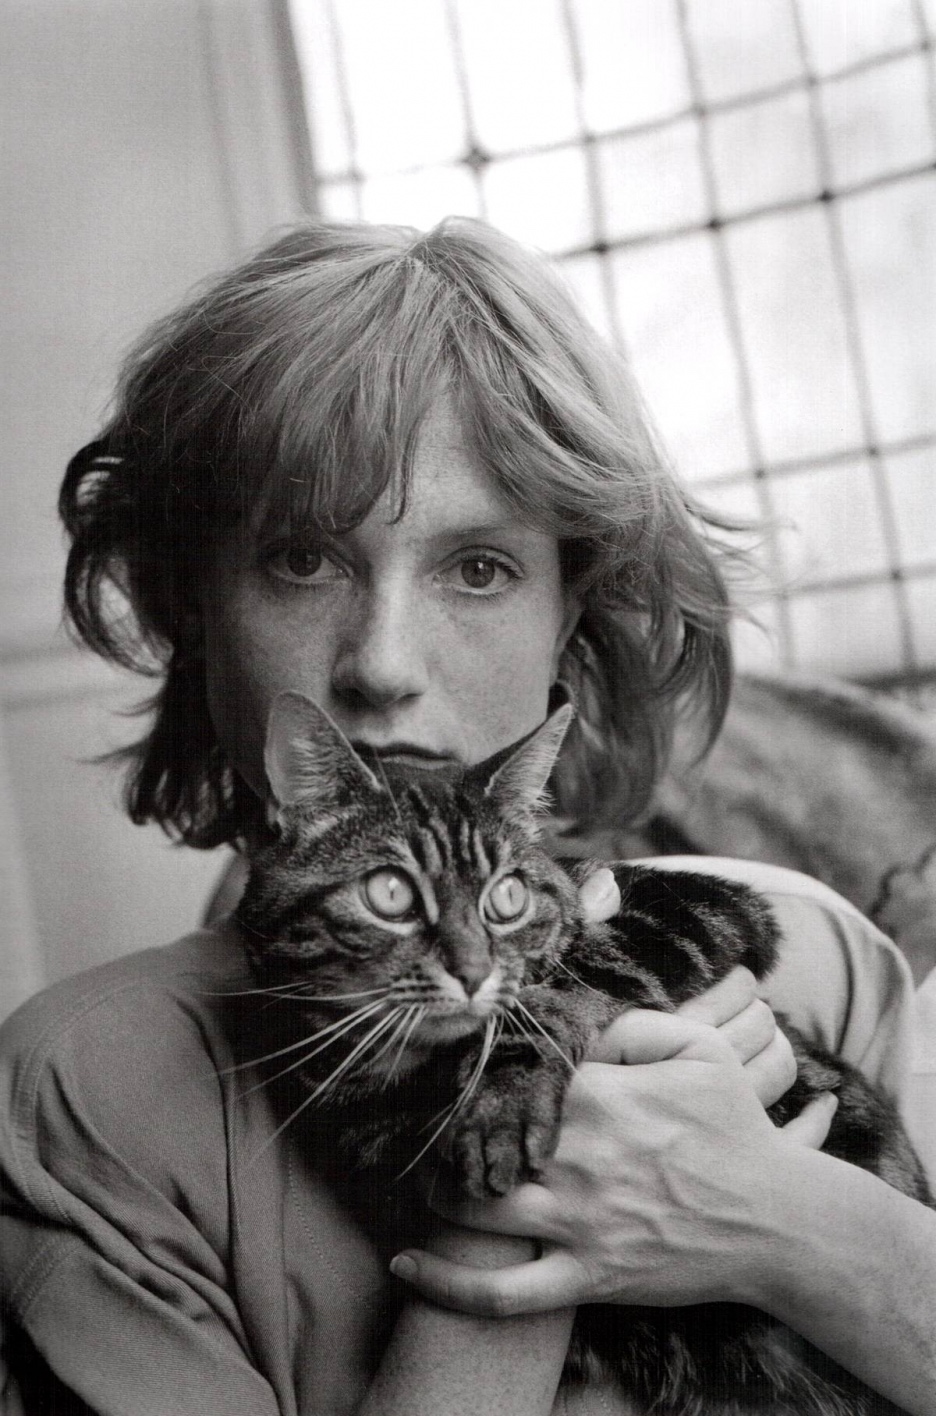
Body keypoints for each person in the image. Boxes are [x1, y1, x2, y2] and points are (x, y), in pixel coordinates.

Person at [0, 217, 933, 1416]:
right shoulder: (76, 1099)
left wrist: (791, 1225)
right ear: (194, 604)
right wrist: (524, 1199)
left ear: (568, 616)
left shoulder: (816, 951)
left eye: (479, 567)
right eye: (302, 560)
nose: (383, 666)